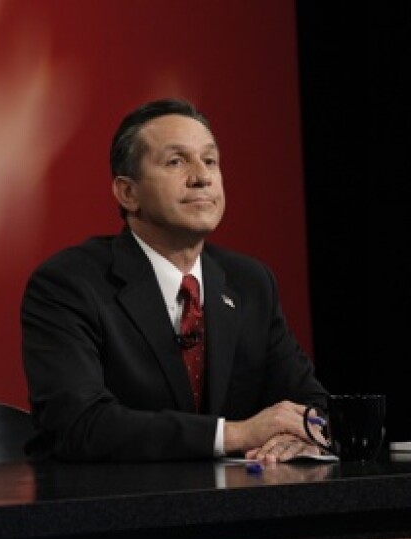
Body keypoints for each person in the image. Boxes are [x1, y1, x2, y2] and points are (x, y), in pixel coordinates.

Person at [21, 97, 328, 464]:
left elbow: (312, 404)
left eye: (210, 160)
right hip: (109, 510)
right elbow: (79, 425)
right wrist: (234, 434)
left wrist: (304, 435)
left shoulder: (249, 283)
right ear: (128, 193)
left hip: (235, 509)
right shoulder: (69, 284)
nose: (202, 176)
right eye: (176, 161)